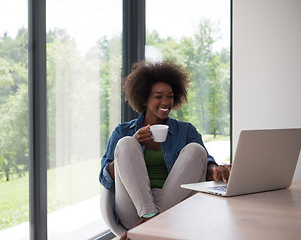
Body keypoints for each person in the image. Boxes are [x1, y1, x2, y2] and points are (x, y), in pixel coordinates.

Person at [99, 60, 231, 240]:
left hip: (174, 205)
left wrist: (216, 171)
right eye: (159, 96)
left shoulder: (185, 131)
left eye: (170, 96)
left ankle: (148, 223)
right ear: (144, 98)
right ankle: (149, 215)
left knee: (196, 150)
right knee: (126, 143)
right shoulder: (122, 131)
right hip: (132, 209)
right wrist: (134, 144)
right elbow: (105, 179)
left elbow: (205, 163)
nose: (166, 101)